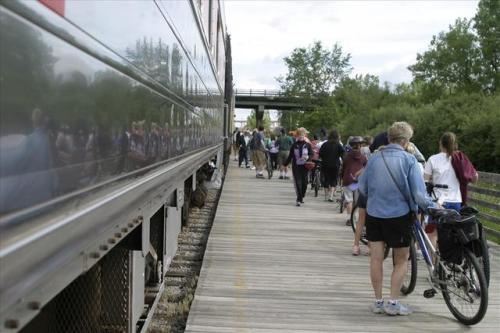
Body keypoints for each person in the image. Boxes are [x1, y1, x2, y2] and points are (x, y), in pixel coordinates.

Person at [358, 121, 436, 316]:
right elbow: (419, 195)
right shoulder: (409, 161)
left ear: (389, 138)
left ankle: (377, 301)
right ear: (405, 141)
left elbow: (363, 188)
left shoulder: (375, 159)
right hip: (399, 216)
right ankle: (392, 303)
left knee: (376, 259)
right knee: (401, 260)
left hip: (374, 215)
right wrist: (433, 207)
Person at [423, 132, 465, 247]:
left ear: (440, 143)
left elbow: (425, 180)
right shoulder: (459, 158)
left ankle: (434, 263)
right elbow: (473, 176)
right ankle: (450, 261)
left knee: (433, 233)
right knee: (452, 232)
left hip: (438, 202)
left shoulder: (433, 159)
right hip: (456, 201)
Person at [284, 127, 313, 206]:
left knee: (305, 183)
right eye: (299, 135)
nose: (301, 137)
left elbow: (311, 154)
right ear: (297, 136)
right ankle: (299, 199)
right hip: (296, 166)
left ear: (305, 136)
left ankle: (302, 195)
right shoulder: (294, 145)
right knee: (298, 183)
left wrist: (309, 159)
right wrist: (285, 164)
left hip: (305, 166)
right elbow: (290, 156)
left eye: (302, 135)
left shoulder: (308, 145)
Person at [342, 136, 367, 224]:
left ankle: (350, 219)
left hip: (348, 180)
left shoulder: (347, 156)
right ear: (360, 146)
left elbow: (343, 168)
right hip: (358, 181)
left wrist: (342, 177)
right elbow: (366, 168)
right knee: (357, 201)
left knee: (349, 200)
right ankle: (355, 218)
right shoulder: (363, 157)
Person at [319, 129, 344, 202]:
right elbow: (343, 153)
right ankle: (331, 196)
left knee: (326, 179)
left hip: (325, 164)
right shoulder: (338, 144)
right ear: (337, 136)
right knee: (334, 180)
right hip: (335, 164)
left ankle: (326, 196)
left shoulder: (325, 144)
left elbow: (320, 154)